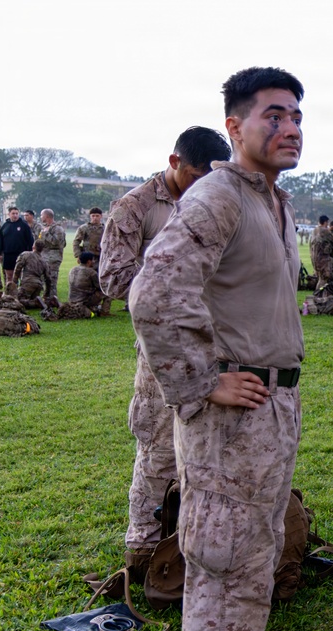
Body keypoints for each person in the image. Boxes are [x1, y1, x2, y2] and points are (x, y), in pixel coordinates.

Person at [129, 66, 306, 631]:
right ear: (235, 126)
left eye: (297, 116)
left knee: (255, 558)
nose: (290, 128)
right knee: (223, 563)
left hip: (270, 409)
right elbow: (153, 294)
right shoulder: (220, 195)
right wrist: (201, 383)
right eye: (273, 116)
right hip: (230, 418)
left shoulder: (271, 200)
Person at [99, 125, 231, 579]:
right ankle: (143, 551)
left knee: (216, 446)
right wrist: (170, 277)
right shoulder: (135, 207)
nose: (203, 187)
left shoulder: (223, 200)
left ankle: (200, 544)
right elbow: (113, 278)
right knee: (157, 447)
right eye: (196, 176)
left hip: (218, 344)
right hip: (163, 348)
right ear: (175, 163)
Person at [0, 206, 35, 284]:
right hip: (8, 254)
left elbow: (30, 240)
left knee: (22, 276)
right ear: (9, 214)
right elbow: (1, 241)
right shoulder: (5, 225)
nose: (15, 215)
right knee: (9, 276)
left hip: (21, 255)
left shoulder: (24, 225)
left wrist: (31, 253)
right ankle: (10, 294)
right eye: (13, 213)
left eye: (17, 213)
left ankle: (21, 293)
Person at [10, 239, 50, 309]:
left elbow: (18, 268)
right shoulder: (44, 261)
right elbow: (48, 279)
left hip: (27, 283)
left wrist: (14, 283)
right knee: (29, 302)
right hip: (38, 286)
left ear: (33, 246)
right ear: (42, 249)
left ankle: (35, 303)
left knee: (15, 301)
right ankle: (41, 302)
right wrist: (46, 294)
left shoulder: (25, 255)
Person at [39, 209, 66, 301]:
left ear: (47, 216)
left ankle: (52, 300)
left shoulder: (58, 229)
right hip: (44, 257)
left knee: (52, 280)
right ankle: (46, 298)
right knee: (44, 278)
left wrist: (46, 234)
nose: (40, 217)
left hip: (53, 258)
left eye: (41, 215)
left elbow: (58, 242)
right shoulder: (45, 228)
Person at [310, 214, 333, 291]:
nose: (328, 224)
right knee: (324, 278)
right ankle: (319, 294)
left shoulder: (314, 230)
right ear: (325, 222)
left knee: (322, 277)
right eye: (327, 222)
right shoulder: (325, 230)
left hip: (315, 258)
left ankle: (326, 290)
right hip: (323, 259)